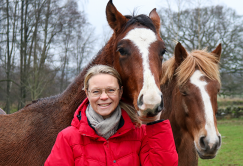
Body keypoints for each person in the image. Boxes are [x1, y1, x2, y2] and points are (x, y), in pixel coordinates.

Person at [45, 65, 178, 166]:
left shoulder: (140, 133)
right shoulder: (68, 137)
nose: (104, 97)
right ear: (87, 93)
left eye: (110, 90)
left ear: (120, 93)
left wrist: (155, 124)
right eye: (96, 91)